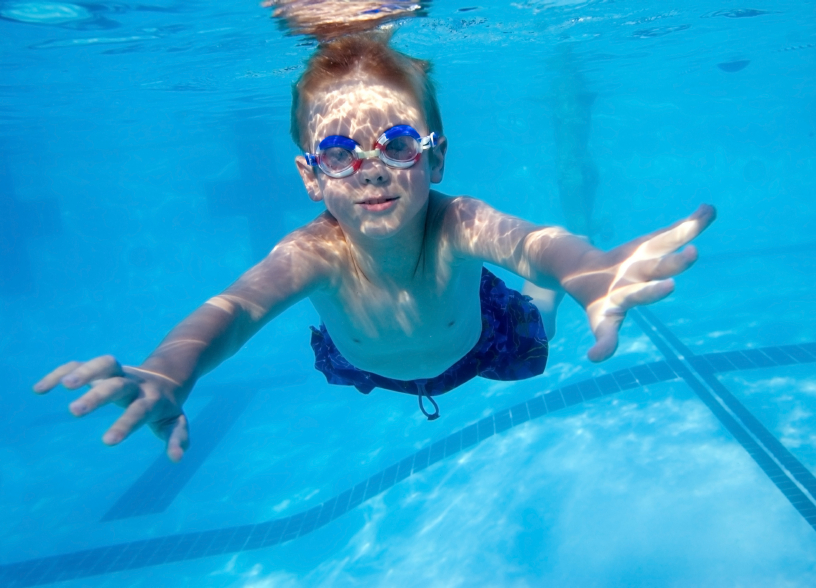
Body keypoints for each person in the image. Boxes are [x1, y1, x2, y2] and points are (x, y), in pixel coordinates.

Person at [33, 32, 716, 462]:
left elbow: (534, 245)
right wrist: (166, 373)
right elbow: (235, 311)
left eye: (396, 144)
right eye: (338, 152)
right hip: (365, 361)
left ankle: (554, 288)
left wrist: (585, 268)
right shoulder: (312, 252)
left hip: (484, 343)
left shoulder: (459, 223)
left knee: (539, 306)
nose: (371, 169)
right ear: (310, 175)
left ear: (436, 158)